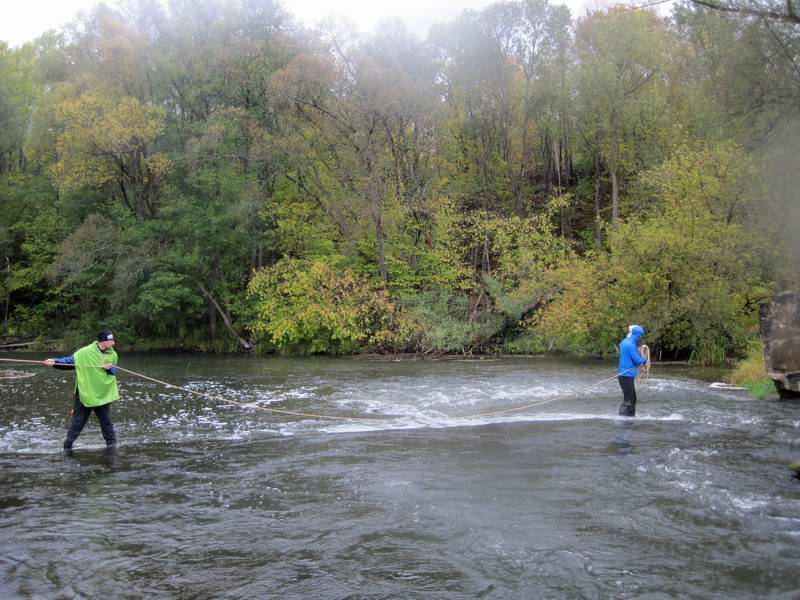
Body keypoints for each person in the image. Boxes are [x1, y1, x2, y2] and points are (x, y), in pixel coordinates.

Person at [44, 329, 120, 450]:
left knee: (106, 422)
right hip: (86, 392)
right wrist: (55, 361)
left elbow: (115, 371)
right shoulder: (85, 352)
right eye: (111, 340)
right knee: (77, 423)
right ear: (103, 341)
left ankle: (112, 447)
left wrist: (109, 369)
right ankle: (67, 447)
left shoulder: (112, 354)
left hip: (102, 394)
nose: (114, 343)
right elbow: (70, 361)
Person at [617, 324, 647, 417]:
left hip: (624, 375)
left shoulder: (624, 342)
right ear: (635, 334)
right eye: (639, 336)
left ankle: (629, 418)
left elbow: (631, 357)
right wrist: (644, 358)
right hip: (627, 375)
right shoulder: (630, 345)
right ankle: (624, 419)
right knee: (629, 400)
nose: (639, 338)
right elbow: (638, 360)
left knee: (631, 399)